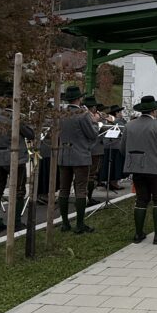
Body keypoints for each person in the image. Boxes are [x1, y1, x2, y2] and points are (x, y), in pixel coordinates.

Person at [120, 95, 157, 244]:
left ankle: (138, 234)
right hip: (156, 168)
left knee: (141, 200)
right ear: (154, 111)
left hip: (137, 168)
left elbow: (122, 148)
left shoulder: (129, 126)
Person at [0, 105, 35, 235]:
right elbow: (30, 135)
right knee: (19, 190)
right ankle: (16, 222)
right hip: (15, 157)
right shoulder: (16, 117)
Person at [57, 85, 99, 234]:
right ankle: (80, 224)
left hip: (63, 154)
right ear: (79, 99)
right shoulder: (83, 114)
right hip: (80, 154)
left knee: (64, 189)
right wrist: (95, 122)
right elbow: (92, 134)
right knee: (80, 189)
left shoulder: (61, 113)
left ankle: (65, 223)